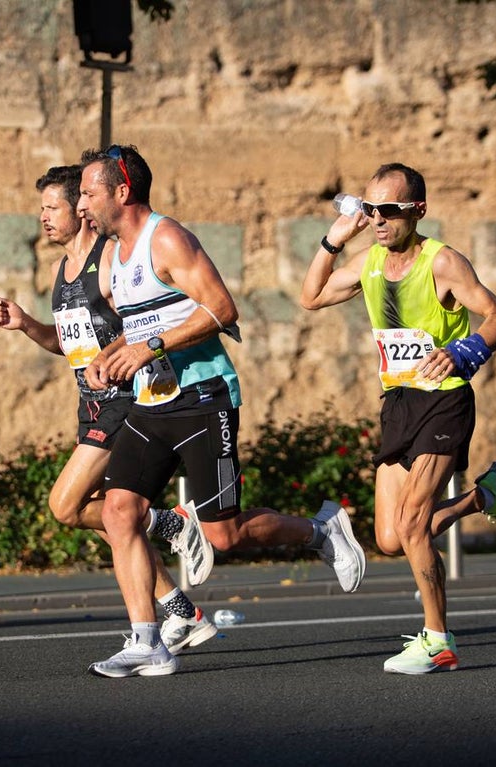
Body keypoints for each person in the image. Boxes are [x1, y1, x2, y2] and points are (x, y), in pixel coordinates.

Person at [78, 145, 366, 678]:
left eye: (87, 192)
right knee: (120, 512)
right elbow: (146, 325)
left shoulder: (167, 237)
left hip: (205, 397)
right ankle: (148, 641)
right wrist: (113, 354)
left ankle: (319, 530)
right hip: (153, 401)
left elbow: (221, 309)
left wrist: (148, 349)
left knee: (222, 535)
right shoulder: (115, 256)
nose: (80, 205)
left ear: (121, 191)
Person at [299, 162, 496, 674]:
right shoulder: (367, 263)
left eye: (390, 210)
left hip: (444, 398)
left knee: (411, 524)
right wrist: (335, 238)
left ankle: (438, 639)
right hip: (399, 403)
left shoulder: (443, 261)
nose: (379, 220)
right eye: (371, 210)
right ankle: (485, 496)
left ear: (418, 211)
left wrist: (465, 352)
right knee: (391, 537)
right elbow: (311, 297)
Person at [0, 164, 217, 654]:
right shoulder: (59, 271)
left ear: (81, 209)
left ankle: (171, 526)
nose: (43, 218)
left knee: (65, 506)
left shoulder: (111, 258)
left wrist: (140, 353)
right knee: (117, 519)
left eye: (52, 208)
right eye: (41, 209)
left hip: (126, 404)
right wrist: (27, 325)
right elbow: (73, 347)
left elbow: (146, 319)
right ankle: (183, 610)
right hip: (89, 407)